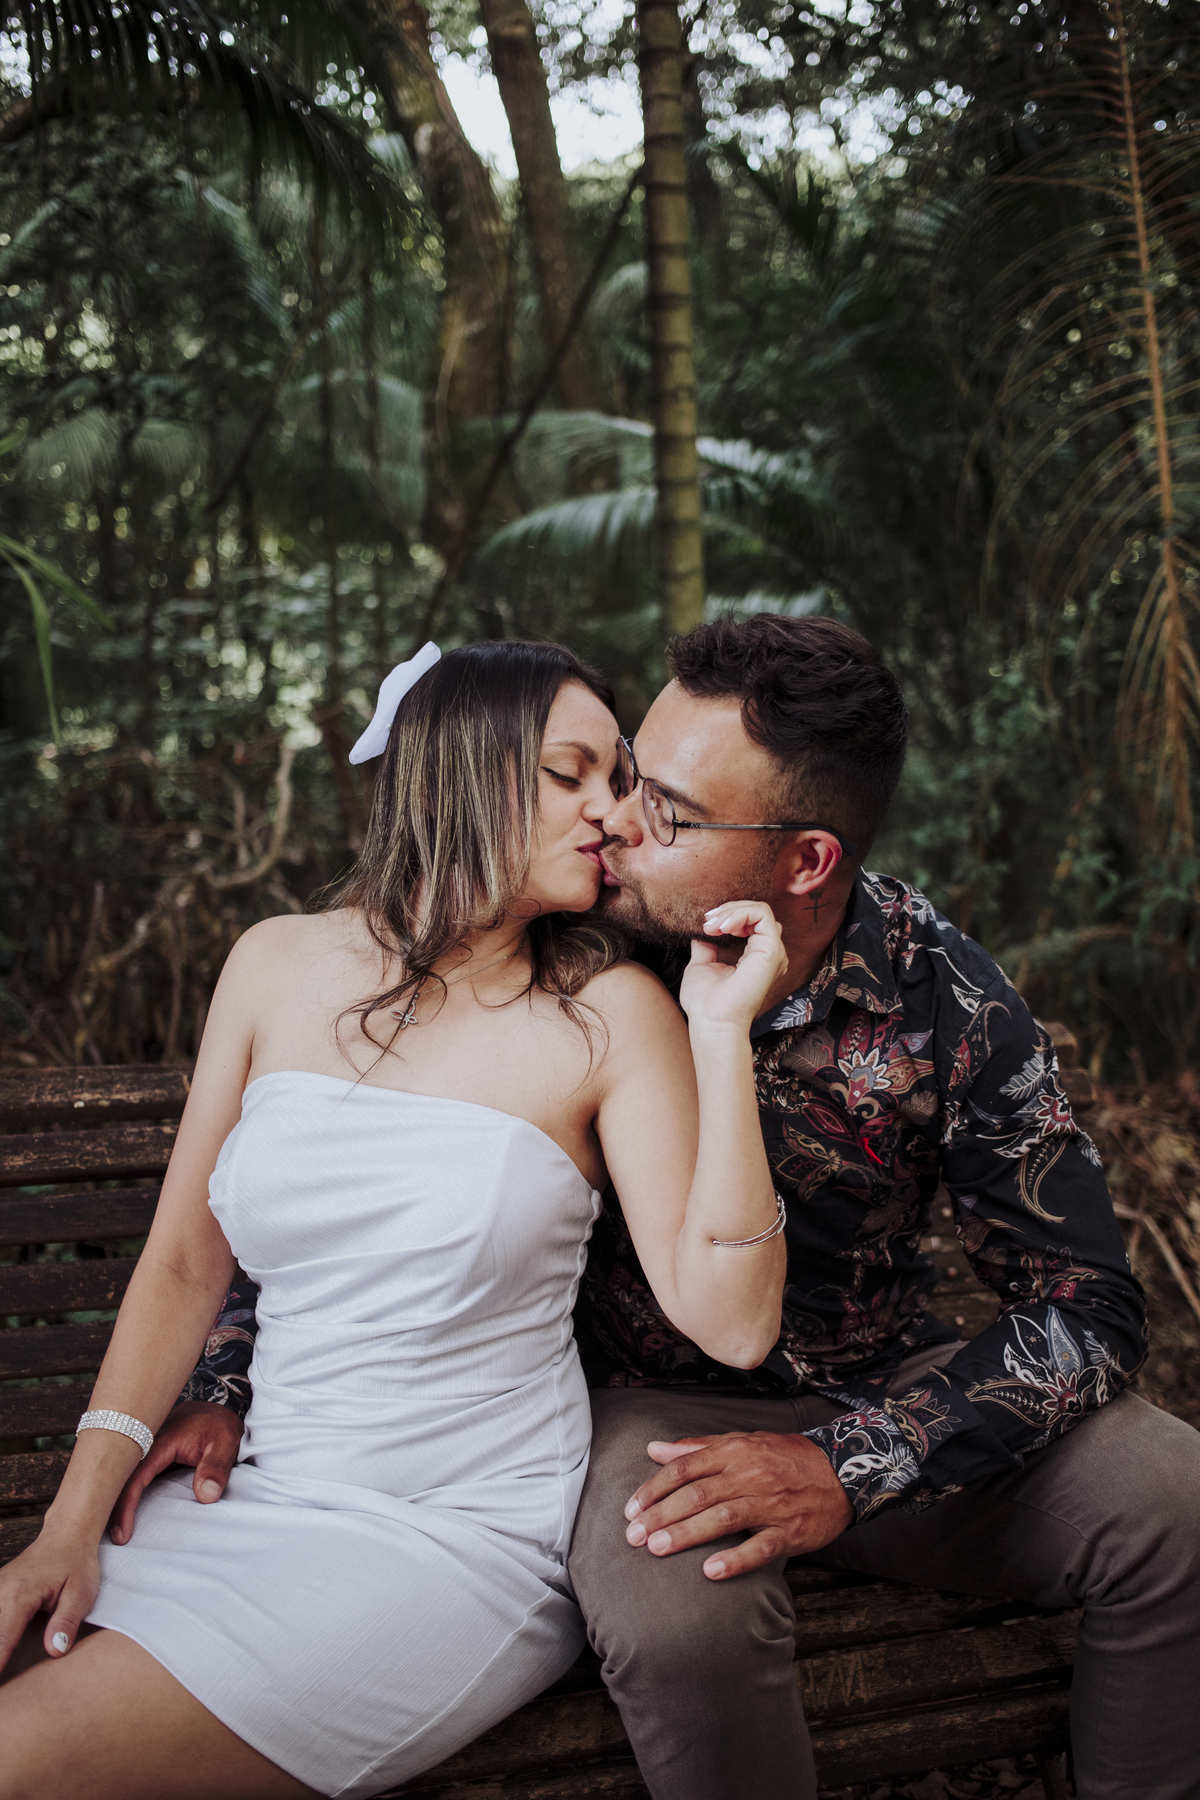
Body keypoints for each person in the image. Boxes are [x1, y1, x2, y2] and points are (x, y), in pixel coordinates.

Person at [95, 617, 1200, 1800]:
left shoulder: (944, 1000)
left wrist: (850, 1463)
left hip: (876, 1382)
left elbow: (1087, 1305)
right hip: (638, 1404)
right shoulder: (577, 937)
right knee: (680, 1618)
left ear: (807, 862)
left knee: (1177, 1501)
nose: (616, 820)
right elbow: (358, 1162)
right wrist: (227, 1375)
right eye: (626, 775)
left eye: (663, 808)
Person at [0, 638, 794, 1800]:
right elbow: (180, 1266)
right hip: (243, 1499)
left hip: (451, 1540)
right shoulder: (273, 965)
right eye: (570, 773)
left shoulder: (612, 1015)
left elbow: (733, 1324)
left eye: (619, 779)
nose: (613, 811)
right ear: (456, 771)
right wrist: (68, 1527)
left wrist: (718, 1036)